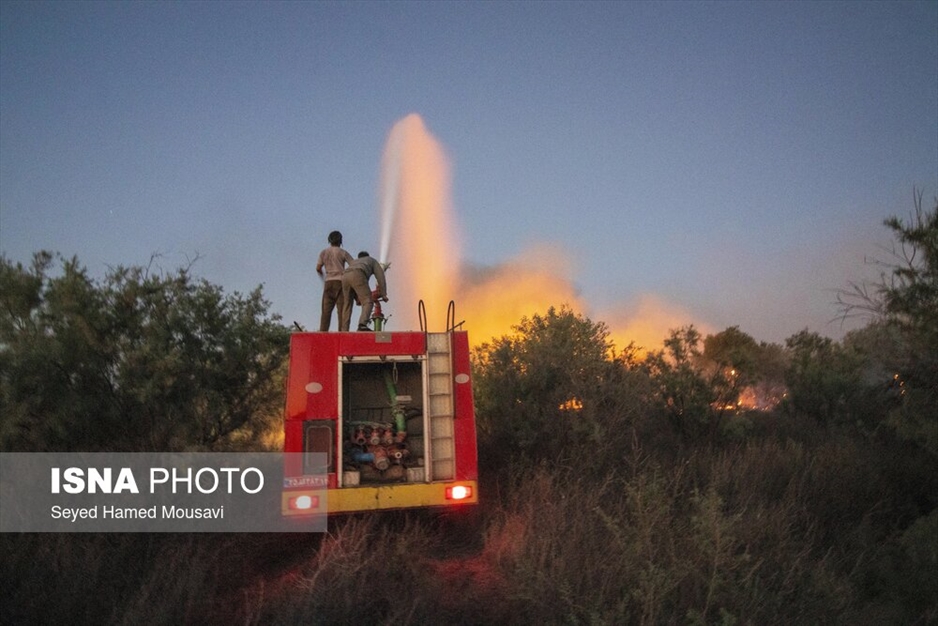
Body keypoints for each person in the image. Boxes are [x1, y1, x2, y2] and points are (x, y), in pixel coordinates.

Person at [340, 251, 388, 331]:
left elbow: (353, 282)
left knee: (347, 304)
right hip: (358, 274)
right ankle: (362, 325)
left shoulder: (354, 262)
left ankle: (344, 330)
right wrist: (383, 294)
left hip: (344, 276)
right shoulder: (372, 260)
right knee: (368, 302)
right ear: (367, 256)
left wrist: (357, 298)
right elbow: (380, 277)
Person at [316, 230, 354, 331]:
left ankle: (322, 335)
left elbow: (318, 268)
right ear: (340, 241)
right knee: (341, 311)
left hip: (328, 283)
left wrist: (324, 277)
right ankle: (341, 335)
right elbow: (354, 265)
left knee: (325, 313)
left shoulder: (324, 252)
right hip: (340, 282)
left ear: (329, 240)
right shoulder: (343, 252)